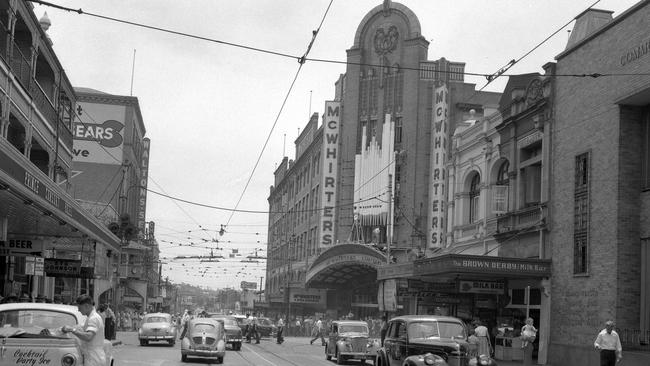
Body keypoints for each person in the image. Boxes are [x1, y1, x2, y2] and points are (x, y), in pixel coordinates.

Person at [62, 294, 105, 366]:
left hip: (93, 357)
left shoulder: (93, 318)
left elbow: (88, 336)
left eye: (80, 308)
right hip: (93, 356)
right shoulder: (91, 317)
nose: (78, 310)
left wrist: (72, 330)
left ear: (86, 306)